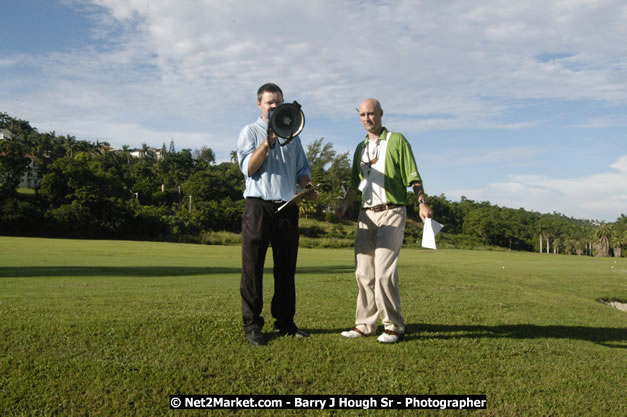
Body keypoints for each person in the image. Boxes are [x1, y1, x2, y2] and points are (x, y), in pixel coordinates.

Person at [335, 98, 433, 344]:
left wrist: (421, 202)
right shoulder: (360, 148)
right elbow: (356, 184)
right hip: (366, 214)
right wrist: (344, 205)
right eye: (363, 115)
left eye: (372, 114)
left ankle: (393, 326)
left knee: (384, 272)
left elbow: (413, 176)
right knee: (364, 273)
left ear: (381, 114)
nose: (367, 119)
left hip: (392, 210)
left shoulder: (397, 140)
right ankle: (365, 325)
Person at [236, 82, 317, 346]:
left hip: (287, 207)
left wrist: (308, 186)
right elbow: (249, 168)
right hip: (258, 206)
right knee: (252, 268)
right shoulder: (250, 131)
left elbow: (302, 171)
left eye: (278, 101)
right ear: (259, 104)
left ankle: (285, 322)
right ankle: (252, 325)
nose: (274, 106)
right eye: (270, 102)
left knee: (286, 269)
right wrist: (267, 143)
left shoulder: (295, 136)